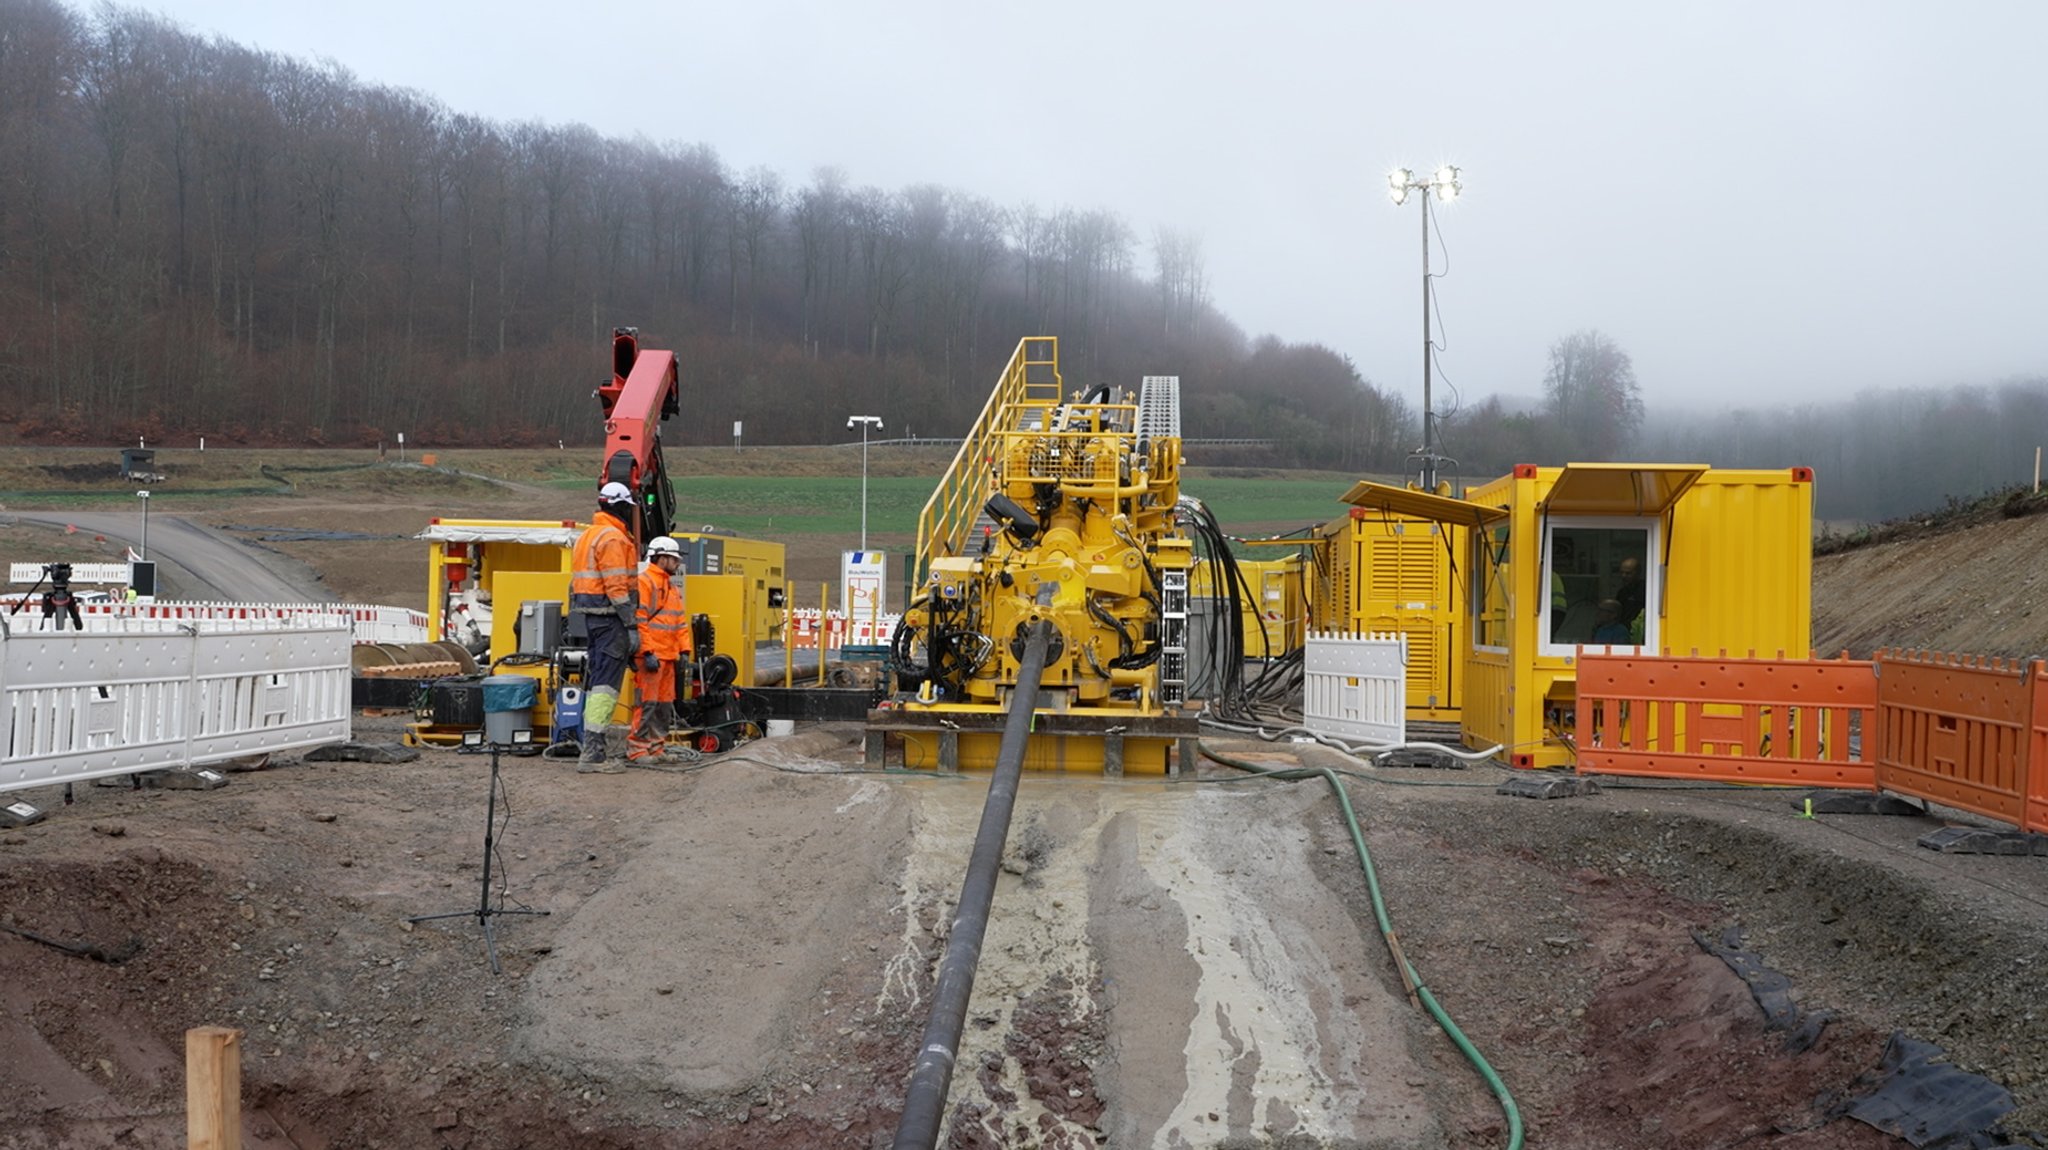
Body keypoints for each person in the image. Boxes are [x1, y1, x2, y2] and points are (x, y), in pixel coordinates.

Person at [571, 482, 641, 773]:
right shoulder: (613, 538)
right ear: (621, 506)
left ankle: (592, 748)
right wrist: (631, 624)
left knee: (598, 681)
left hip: (592, 618)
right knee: (606, 686)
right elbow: (616, 586)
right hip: (612, 619)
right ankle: (592, 754)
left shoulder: (587, 535)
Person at [627, 536, 692, 763]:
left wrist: (684, 650)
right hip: (652, 657)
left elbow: (680, 622)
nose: (677, 563)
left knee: (663, 706)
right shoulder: (645, 582)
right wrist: (646, 652)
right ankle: (637, 749)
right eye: (673, 559)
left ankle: (656, 747)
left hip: (668, 657)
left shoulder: (670, 586)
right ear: (661, 558)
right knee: (646, 704)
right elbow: (640, 620)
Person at [1614, 556, 1646, 625]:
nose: (1624, 576)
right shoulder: (1622, 592)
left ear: (1638, 573)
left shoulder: (1646, 590)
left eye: (1628, 573)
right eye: (1622, 573)